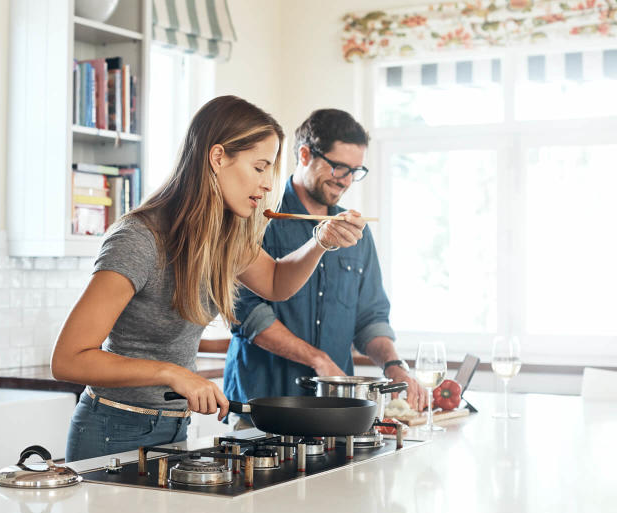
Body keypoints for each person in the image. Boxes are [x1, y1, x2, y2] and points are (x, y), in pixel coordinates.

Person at [52, 96, 367, 462]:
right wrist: (172, 373)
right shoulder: (139, 239)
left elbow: (277, 282)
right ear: (218, 158)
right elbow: (68, 359)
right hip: (112, 430)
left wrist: (320, 242)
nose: (267, 185)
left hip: (173, 428)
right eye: (260, 167)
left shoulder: (222, 237)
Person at [223, 109, 428, 429]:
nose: (345, 180)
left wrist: (393, 365)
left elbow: (370, 317)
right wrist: (317, 360)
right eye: (338, 167)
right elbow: (245, 314)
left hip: (335, 410)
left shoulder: (356, 233)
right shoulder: (257, 216)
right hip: (263, 407)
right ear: (305, 154)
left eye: (355, 171)